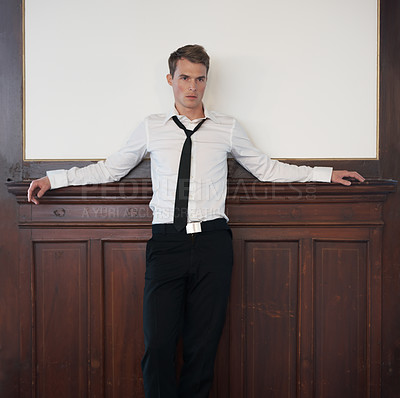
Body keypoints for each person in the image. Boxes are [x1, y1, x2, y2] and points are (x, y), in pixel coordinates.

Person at [27, 44, 365, 398]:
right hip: (167, 243)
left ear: (207, 81)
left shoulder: (228, 128)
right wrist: (56, 179)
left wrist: (325, 174)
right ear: (170, 79)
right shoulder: (151, 127)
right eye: (185, 78)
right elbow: (111, 168)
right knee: (157, 347)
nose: (192, 86)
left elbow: (267, 169)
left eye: (200, 79)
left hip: (213, 244)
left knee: (202, 351)